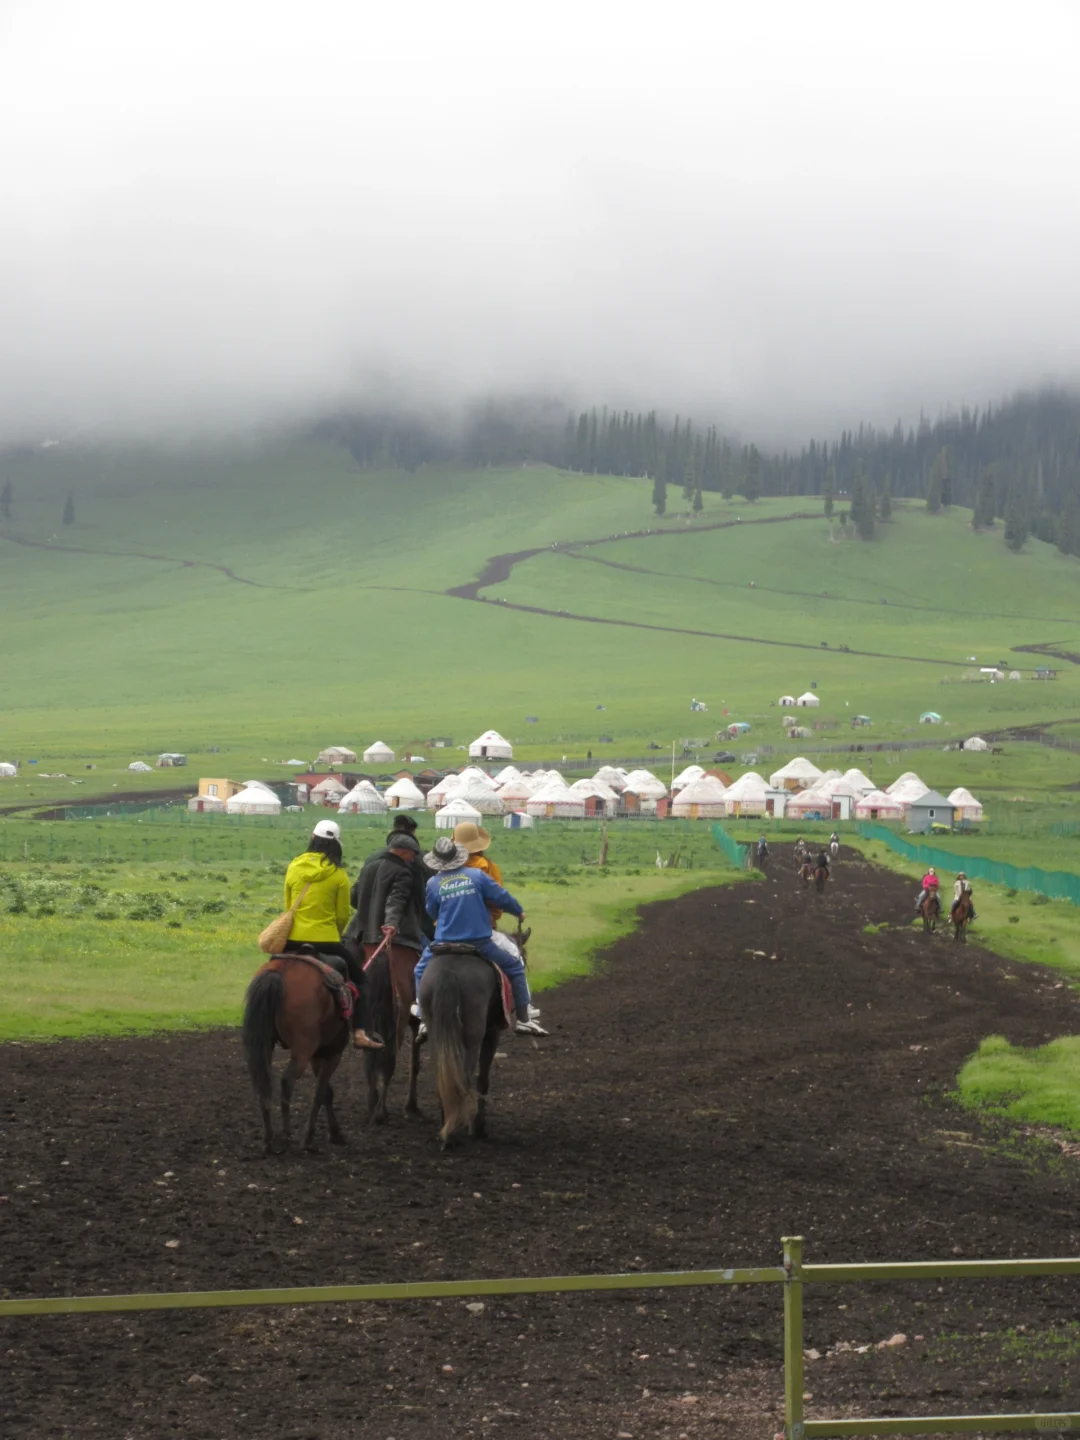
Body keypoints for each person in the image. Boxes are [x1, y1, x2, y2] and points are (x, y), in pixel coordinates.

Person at [413, 836, 547, 1036]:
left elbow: (432, 911)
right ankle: (523, 1019)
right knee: (515, 967)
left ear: (438, 861)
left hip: (443, 943)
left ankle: (424, 1018)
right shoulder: (476, 875)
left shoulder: (433, 883)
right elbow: (501, 896)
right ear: (457, 857)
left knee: (418, 971)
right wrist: (518, 911)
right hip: (479, 942)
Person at [284, 819, 382, 1049]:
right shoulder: (338, 874)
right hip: (327, 940)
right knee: (362, 981)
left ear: (313, 838)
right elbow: (342, 915)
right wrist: (333, 934)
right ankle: (359, 1033)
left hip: (294, 939)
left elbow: (288, 905)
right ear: (337, 844)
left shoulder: (294, 866)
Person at [454, 819, 541, 1022]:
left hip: (445, 934)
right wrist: (516, 912)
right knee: (514, 957)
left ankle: (422, 1011)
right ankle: (524, 1012)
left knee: (422, 965)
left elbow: (432, 909)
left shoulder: (443, 872)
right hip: (481, 933)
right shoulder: (487, 869)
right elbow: (499, 901)